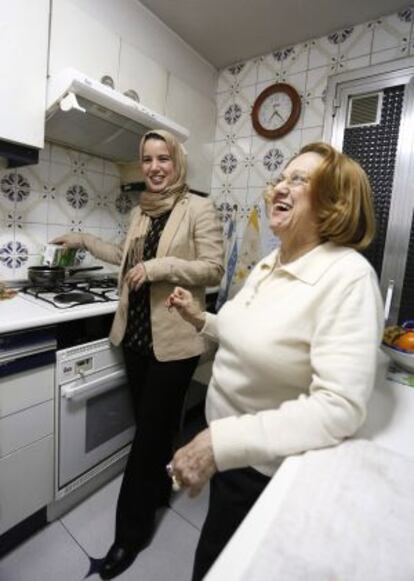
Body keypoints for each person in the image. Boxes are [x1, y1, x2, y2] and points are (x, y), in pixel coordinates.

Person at [166, 142, 384, 581]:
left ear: (335, 202)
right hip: (233, 455)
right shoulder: (273, 261)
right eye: (280, 178)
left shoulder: (349, 277)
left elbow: (339, 406)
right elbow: (248, 334)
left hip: (264, 469)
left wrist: (217, 443)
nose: (279, 187)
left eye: (298, 179)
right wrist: (202, 319)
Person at [51, 129, 224, 580]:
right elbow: (126, 259)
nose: (154, 167)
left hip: (176, 344)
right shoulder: (140, 213)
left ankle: (129, 535)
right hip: (137, 340)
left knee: (145, 439)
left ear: (177, 161)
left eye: (162, 158)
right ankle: (160, 488)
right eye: (146, 159)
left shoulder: (198, 208)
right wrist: (85, 240)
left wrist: (160, 267)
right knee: (160, 426)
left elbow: (214, 270)